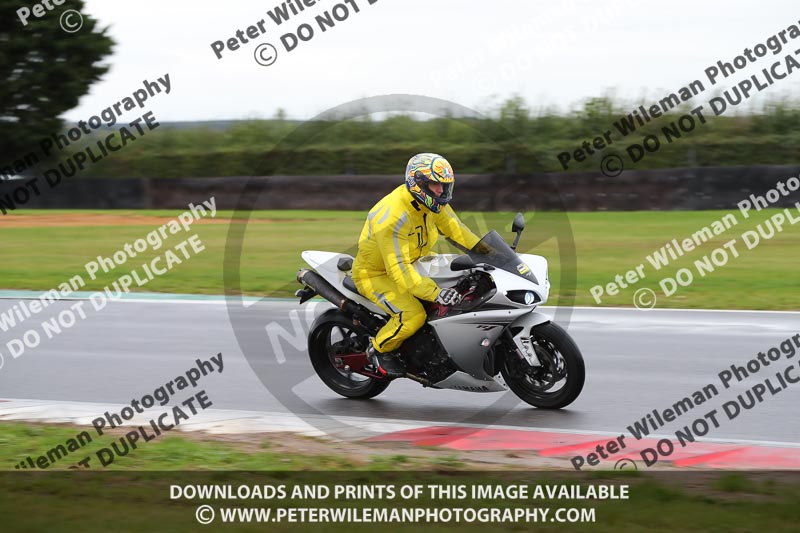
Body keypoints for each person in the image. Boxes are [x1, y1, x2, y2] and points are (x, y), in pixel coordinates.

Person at [351, 153, 481, 378]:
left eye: (444, 185)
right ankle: (379, 349)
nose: (440, 191)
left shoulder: (432, 204)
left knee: (461, 280)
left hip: (415, 261)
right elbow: (399, 270)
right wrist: (436, 293)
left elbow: (458, 231)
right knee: (413, 315)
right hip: (376, 274)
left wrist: (492, 253)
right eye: (435, 184)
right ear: (418, 183)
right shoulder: (392, 216)